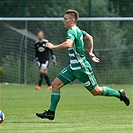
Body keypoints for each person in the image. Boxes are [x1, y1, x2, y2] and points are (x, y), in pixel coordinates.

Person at [36, 10, 130, 120]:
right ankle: (51, 113)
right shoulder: (79, 31)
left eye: (65, 19)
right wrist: (90, 52)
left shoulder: (72, 31)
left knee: (96, 92)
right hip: (72, 68)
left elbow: (68, 44)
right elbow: (90, 38)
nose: (63, 21)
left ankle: (119, 94)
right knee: (55, 85)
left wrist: (53, 47)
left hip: (81, 68)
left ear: (73, 20)